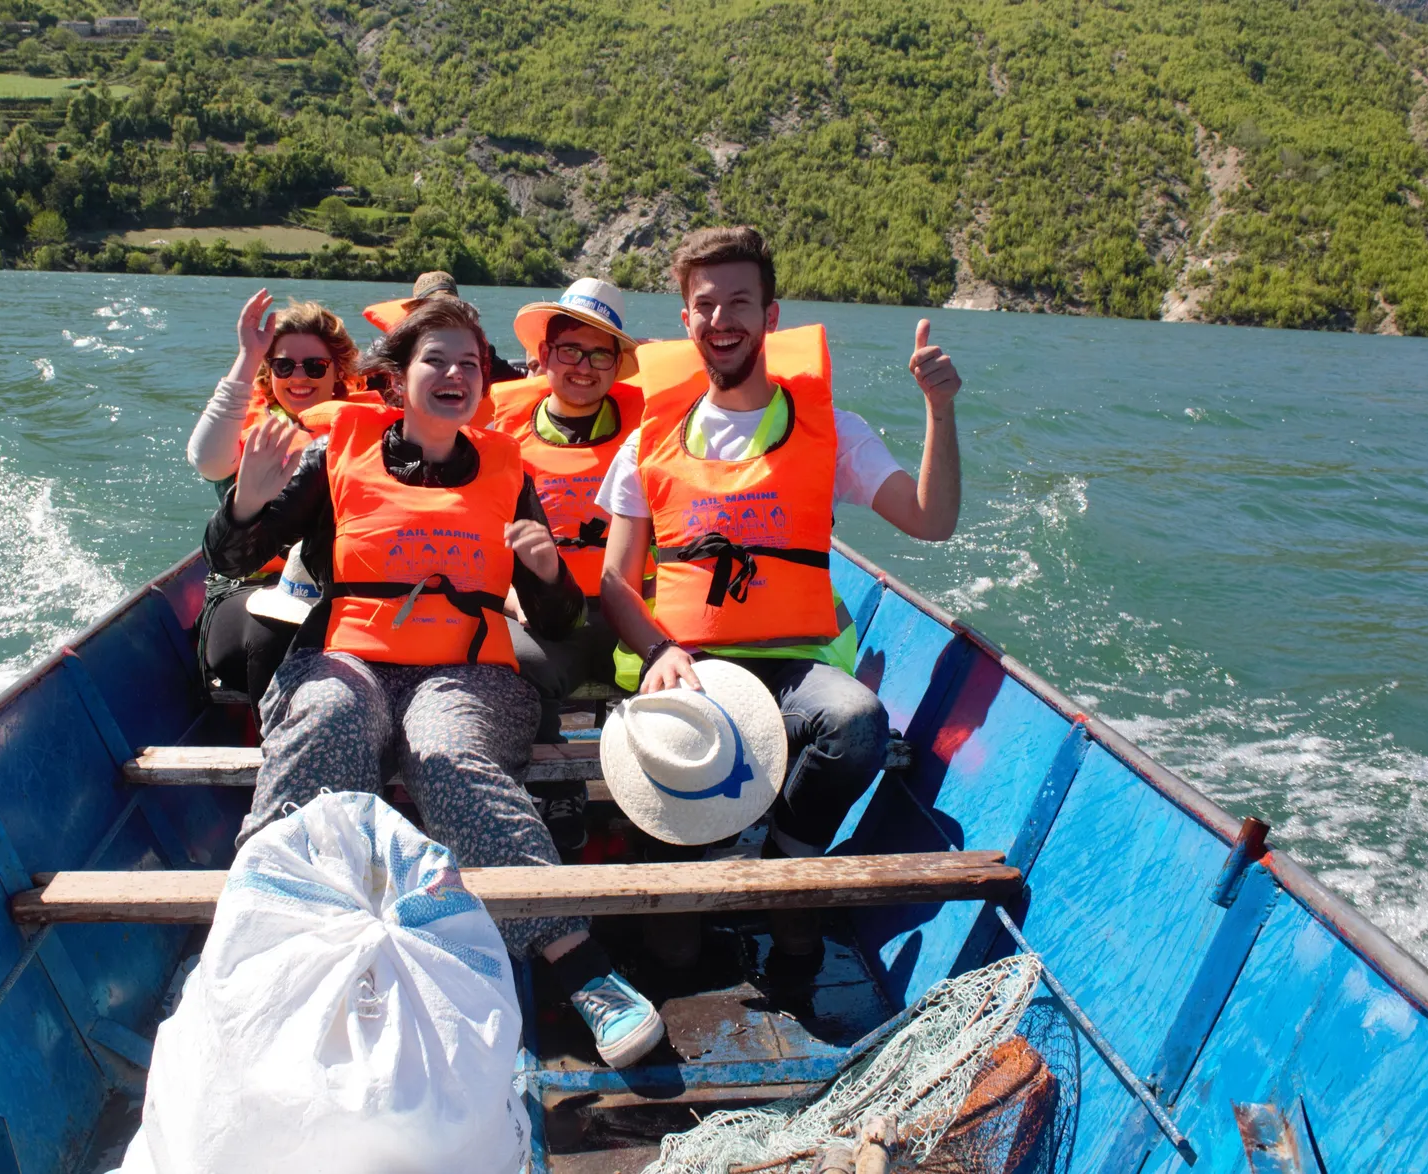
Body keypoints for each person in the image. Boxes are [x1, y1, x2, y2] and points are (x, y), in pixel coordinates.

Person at [203, 297, 667, 1069]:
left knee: (444, 750)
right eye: (436, 361)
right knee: (324, 713)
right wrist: (247, 500)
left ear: (485, 384)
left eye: (469, 365)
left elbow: (552, 621)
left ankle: (577, 960)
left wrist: (550, 573)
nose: (455, 375)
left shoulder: (507, 473)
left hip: (467, 673)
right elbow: (228, 554)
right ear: (397, 379)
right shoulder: (337, 454)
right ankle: (267, 935)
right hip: (348, 659)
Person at [597, 225, 963, 967]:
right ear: (686, 320)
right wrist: (659, 649)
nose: (721, 320)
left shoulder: (833, 431)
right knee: (671, 948)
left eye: (740, 302)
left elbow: (932, 521)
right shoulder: (648, 439)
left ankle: (780, 861)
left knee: (857, 719)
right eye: (706, 305)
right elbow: (614, 580)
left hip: (795, 666)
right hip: (689, 667)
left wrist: (939, 409)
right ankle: (706, 874)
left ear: (770, 317)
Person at [490, 278, 643, 850]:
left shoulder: (655, 428)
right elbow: (479, 539)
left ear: (618, 364)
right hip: (548, 619)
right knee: (509, 656)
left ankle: (671, 801)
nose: (584, 365)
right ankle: (557, 786)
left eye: (600, 352)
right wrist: (512, 602)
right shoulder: (499, 434)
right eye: (569, 350)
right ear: (542, 357)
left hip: (636, 610)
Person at [184, 290, 368, 708]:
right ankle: (278, 757)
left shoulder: (368, 435)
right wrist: (250, 355)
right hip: (246, 589)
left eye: (315, 366)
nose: (298, 376)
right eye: (283, 365)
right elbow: (206, 459)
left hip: (340, 591)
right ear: (270, 373)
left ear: (337, 371)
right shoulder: (250, 436)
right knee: (275, 631)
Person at [364, 271, 526, 384]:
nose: (441, 314)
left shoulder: (479, 351)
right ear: (417, 313)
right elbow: (359, 377)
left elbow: (515, 377)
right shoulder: (387, 348)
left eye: (447, 307)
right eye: (433, 308)